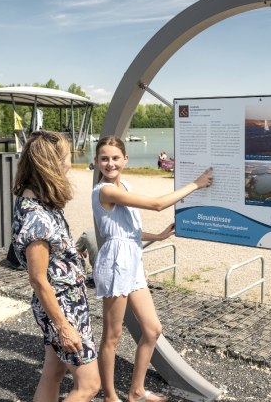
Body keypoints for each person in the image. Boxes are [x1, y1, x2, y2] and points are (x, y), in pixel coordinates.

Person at [92, 136, 213, 402]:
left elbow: (126, 231)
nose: (110, 163)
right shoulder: (105, 190)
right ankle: (110, 397)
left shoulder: (124, 184)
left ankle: (136, 391)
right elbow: (157, 205)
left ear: (125, 159)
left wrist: (156, 237)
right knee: (112, 336)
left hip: (131, 260)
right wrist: (196, 184)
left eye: (115, 158)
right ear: (96, 162)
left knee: (152, 329)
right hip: (115, 264)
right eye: (104, 158)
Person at [11, 130, 100, 402]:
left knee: (53, 373)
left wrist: (70, 257)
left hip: (64, 301)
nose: (69, 162)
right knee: (89, 385)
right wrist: (63, 326)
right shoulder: (36, 216)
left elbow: (49, 259)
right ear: (52, 164)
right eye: (66, 156)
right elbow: (38, 279)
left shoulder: (38, 200)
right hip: (62, 307)